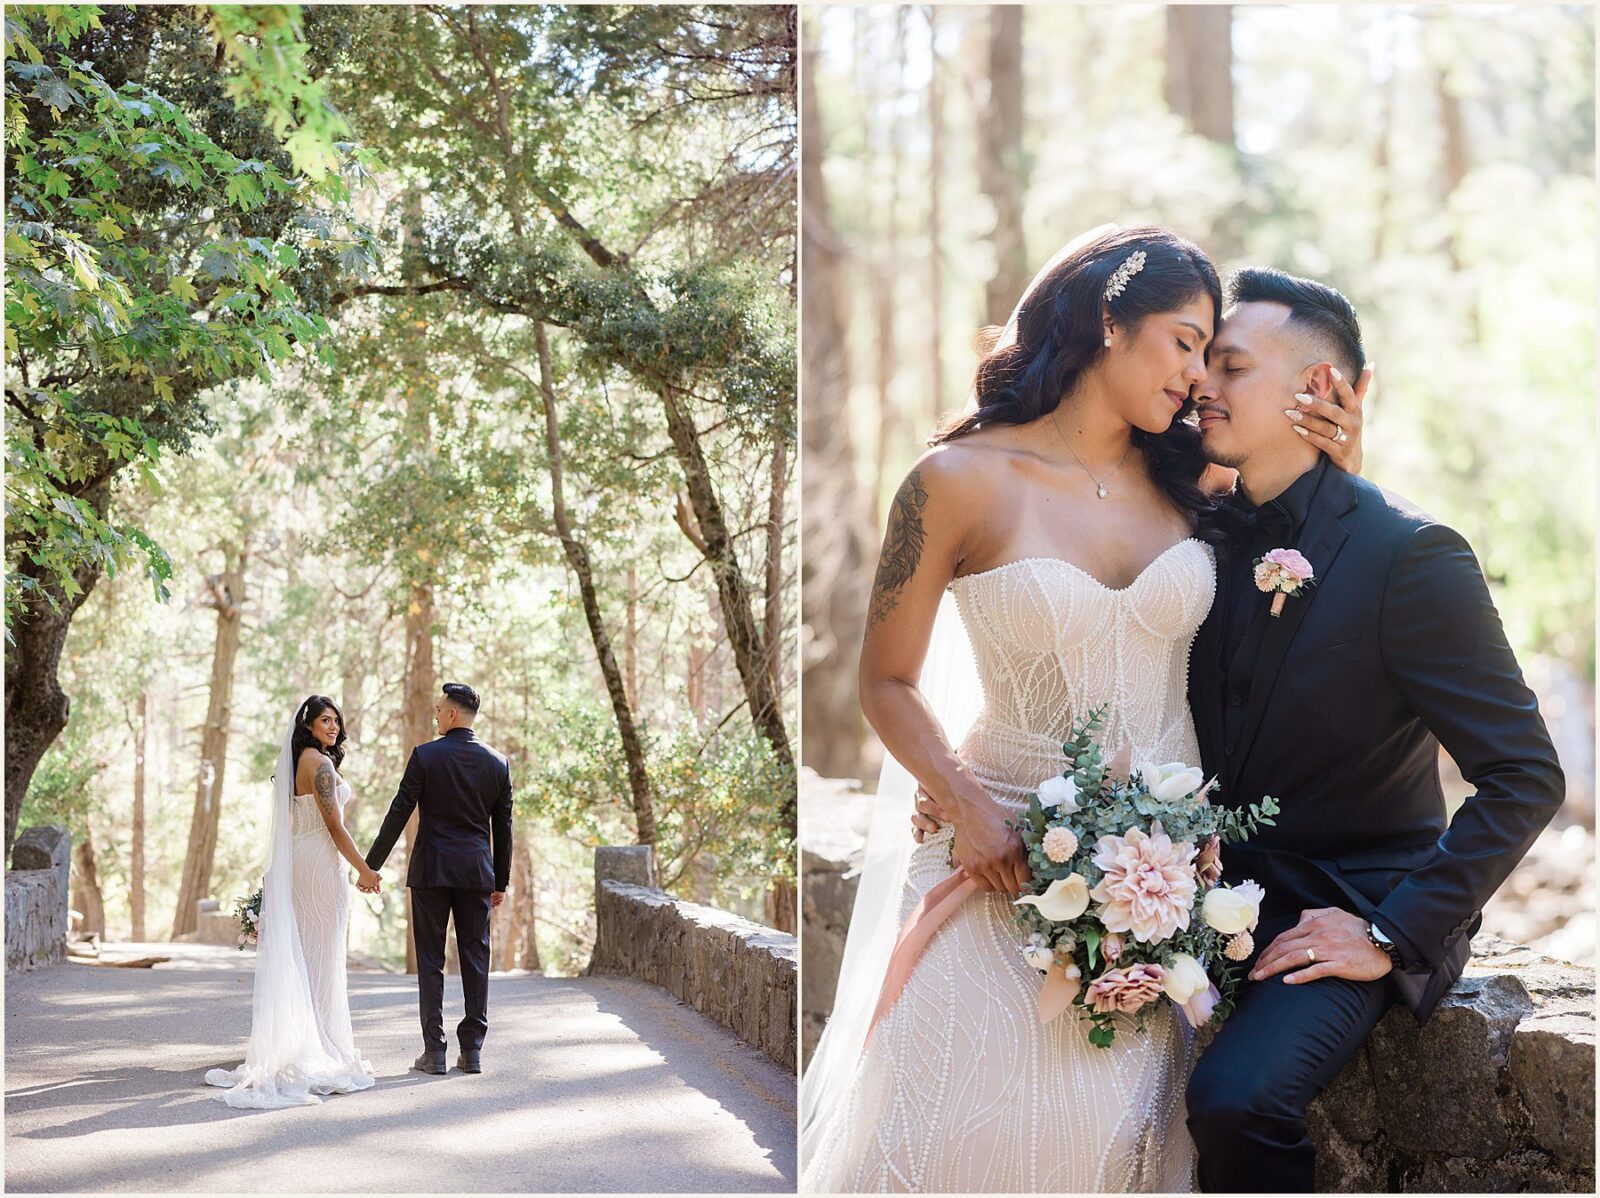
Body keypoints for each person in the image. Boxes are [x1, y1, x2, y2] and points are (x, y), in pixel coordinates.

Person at [801, 226, 1362, 1193]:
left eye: (1210, 351)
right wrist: (965, 802)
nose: (1196, 375)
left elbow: (1321, 591)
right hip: (994, 861)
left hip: (1164, 888)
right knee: (945, 1135)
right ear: (1111, 320)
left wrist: (1343, 460)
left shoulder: (1200, 485)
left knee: (1112, 1146)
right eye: (1184, 341)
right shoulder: (953, 482)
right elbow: (885, 682)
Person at [1173, 267, 1564, 1191]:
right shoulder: (1191, 537)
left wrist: (1388, 933)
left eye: (1229, 364)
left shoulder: (1411, 555)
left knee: (1234, 1101)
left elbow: (1523, 776)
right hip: (1192, 902)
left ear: (1319, 389)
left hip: (1349, 903)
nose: (1202, 385)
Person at [205, 695, 378, 1108]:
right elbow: (334, 824)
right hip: (320, 863)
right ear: (308, 725)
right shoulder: (320, 765)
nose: (332, 727)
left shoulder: (294, 764)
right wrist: (365, 868)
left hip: (299, 860)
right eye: (324, 720)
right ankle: (320, 1044)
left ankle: (307, 1037)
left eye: (336, 720)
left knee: (307, 953)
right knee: (322, 955)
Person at [366, 682, 514, 1075]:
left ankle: (435, 1052)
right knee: (475, 958)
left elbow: (399, 811)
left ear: (451, 714)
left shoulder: (426, 756)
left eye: (437, 710)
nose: (435, 716)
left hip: (432, 870)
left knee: (431, 961)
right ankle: (474, 1050)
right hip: (476, 873)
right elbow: (504, 828)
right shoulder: (498, 763)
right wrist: (500, 881)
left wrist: (371, 865)